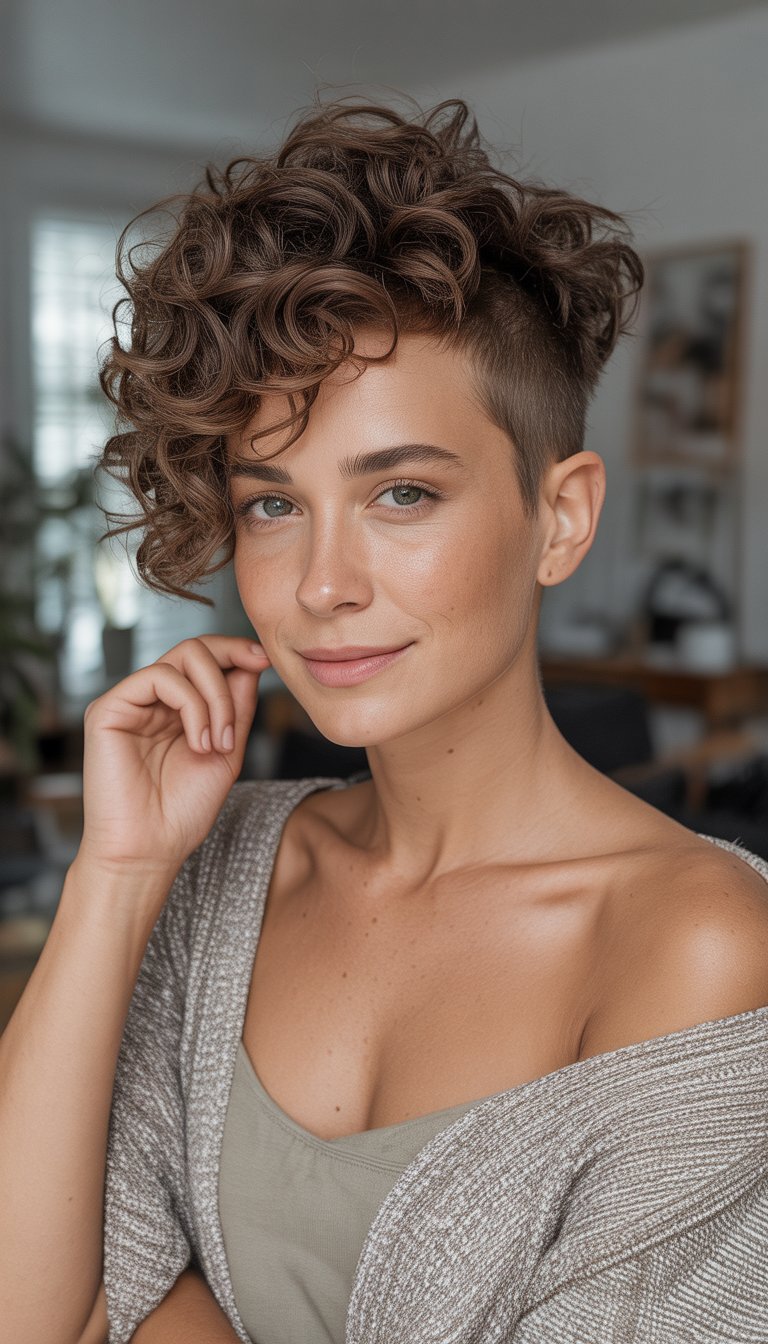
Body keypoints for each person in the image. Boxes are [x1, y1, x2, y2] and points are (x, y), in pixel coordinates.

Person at [2, 95, 768, 1344]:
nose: (321, 584)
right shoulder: (223, 875)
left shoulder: (697, 945)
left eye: (401, 492)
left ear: (560, 518)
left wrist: (174, 1311)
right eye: (271, 506)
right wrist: (119, 875)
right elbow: (40, 1313)